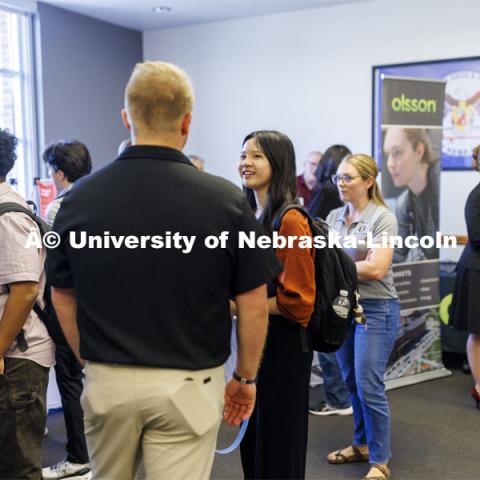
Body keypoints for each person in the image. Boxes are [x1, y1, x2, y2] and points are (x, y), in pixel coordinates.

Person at [46, 61, 282, 480]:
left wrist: (88, 358)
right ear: (187, 122)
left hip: (107, 378)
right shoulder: (227, 202)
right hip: (190, 382)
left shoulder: (79, 200)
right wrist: (245, 377)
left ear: (126, 118)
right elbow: (254, 304)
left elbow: (61, 293)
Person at [238, 130, 315, 479]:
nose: (246, 163)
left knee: (277, 448)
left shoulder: (291, 220)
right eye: (243, 155)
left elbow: (298, 303)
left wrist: (238, 307)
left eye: (257, 156)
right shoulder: (252, 215)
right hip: (256, 344)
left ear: (278, 163)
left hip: (283, 349)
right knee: (254, 443)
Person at [325, 154, 400, 480]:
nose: (341, 184)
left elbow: (377, 268)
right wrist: (357, 263)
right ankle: (362, 445)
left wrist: (338, 268)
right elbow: (324, 263)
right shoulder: (332, 217)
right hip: (343, 307)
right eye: (338, 178)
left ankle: (381, 460)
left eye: (348, 178)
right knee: (352, 382)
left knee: (369, 384)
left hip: (377, 309)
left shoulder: (383, 217)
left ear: (368, 181)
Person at [0, 128, 55, 479]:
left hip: (17, 361)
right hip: (10, 356)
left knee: (17, 468)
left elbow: (24, 290)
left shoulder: (8, 215)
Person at [41, 140, 93, 480]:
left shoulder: (58, 209)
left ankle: (78, 457)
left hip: (70, 304)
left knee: (70, 379)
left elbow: (51, 264)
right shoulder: (105, 198)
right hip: (101, 304)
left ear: (59, 173)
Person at [307, 144, 353, 416]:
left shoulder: (323, 195)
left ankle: (338, 397)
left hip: (325, 273)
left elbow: (309, 230)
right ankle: (343, 396)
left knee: (326, 338)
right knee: (340, 335)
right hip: (343, 272)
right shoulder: (347, 200)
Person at [450, 143, 480, 410]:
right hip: (476, 271)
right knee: (478, 332)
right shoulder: (476, 197)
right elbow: (478, 238)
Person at [383, 127, 439, 262]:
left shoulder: (442, 188)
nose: (390, 164)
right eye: (387, 155)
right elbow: (398, 253)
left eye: (397, 152)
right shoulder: (404, 202)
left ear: (419, 151)